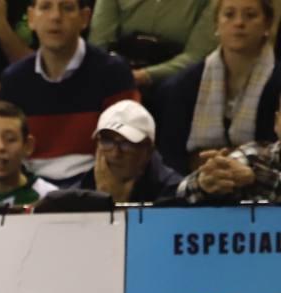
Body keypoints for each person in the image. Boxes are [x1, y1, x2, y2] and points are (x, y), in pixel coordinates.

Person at [0, 0, 138, 187]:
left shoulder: (113, 73)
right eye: (45, 7)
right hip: (30, 191)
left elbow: (125, 150)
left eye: (67, 8)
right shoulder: (14, 80)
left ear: (85, 18)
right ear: (31, 18)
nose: (56, 17)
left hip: (94, 187)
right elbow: (7, 150)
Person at [156, 0, 280, 175]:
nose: (239, 23)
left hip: (261, 189)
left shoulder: (277, 84)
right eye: (229, 15)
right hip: (194, 187)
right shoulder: (182, 85)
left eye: (250, 15)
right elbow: (170, 157)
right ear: (216, 23)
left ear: (267, 24)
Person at [90, 0, 215, 90]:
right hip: (115, 72)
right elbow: (99, 44)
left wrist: (144, 76)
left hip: (175, 82)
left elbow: (197, 55)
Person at [75, 99, 182, 202]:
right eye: (107, 142)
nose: (115, 153)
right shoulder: (79, 193)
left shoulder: (175, 194)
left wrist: (116, 202)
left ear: (149, 150)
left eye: (126, 144)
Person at [177, 105, 281, 202]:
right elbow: (180, 192)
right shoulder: (253, 155)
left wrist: (257, 177)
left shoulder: (256, 169)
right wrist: (203, 183)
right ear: (276, 123)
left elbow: (255, 176)